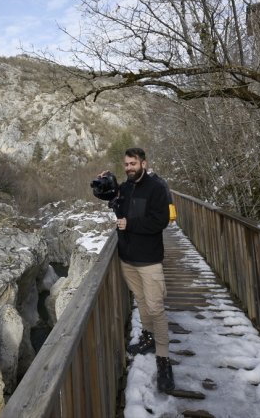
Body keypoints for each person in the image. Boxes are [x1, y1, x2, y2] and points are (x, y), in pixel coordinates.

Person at [107, 148, 174, 393]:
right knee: (143, 301)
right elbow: (116, 207)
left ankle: (164, 359)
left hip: (149, 260)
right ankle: (147, 337)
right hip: (127, 259)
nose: (129, 168)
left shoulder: (156, 187)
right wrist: (108, 186)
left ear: (143, 163)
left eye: (133, 163)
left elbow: (161, 221)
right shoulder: (125, 188)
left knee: (156, 307)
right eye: (125, 164)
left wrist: (130, 224)